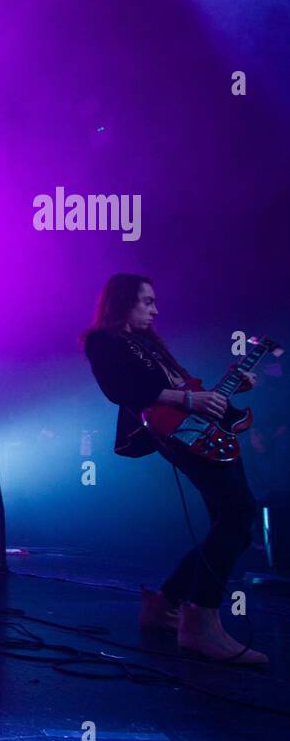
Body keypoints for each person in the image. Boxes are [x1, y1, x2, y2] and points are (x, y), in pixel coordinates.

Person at [83, 273, 266, 665]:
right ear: (122, 302)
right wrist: (189, 399)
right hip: (173, 431)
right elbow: (121, 391)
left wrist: (229, 390)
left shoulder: (147, 343)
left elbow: (191, 391)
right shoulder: (104, 340)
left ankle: (164, 604)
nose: (155, 310)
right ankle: (200, 622)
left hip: (190, 426)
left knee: (230, 518)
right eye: (146, 302)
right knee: (238, 514)